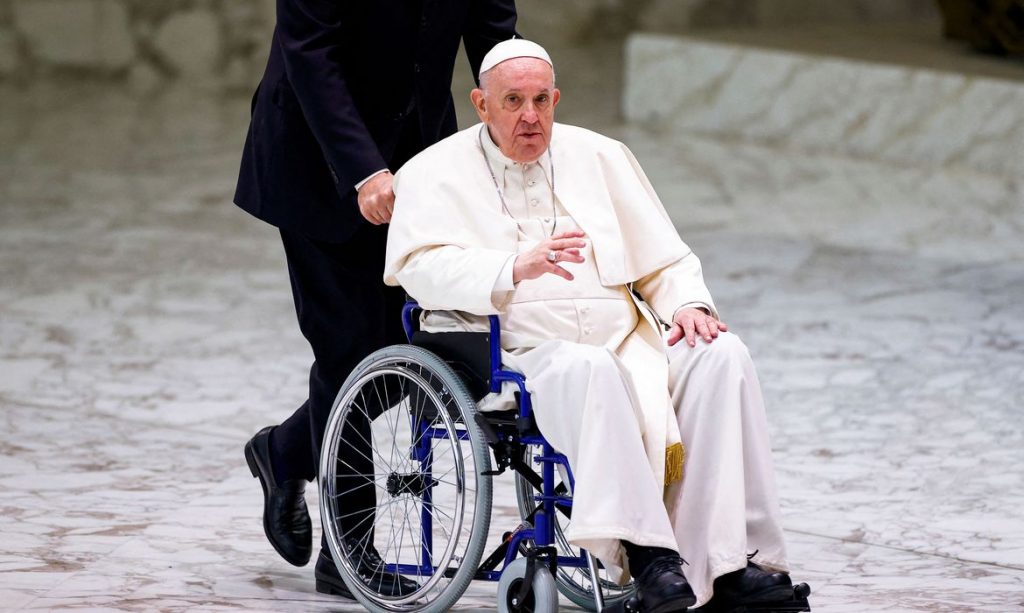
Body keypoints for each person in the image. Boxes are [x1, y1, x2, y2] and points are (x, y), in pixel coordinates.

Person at [384, 40, 807, 612]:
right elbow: (418, 268)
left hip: (628, 339)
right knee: (590, 368)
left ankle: (730, 565)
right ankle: (650, 559)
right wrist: (511, 266)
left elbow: (666, 259)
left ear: (556, 99)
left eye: (540, 100)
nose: (530, 116)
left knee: (721, 354)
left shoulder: (602, 157)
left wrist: (689, 306)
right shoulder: (433, 171)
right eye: (513, 101)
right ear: (482, 104)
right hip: (523, 353)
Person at [233, 1, 518, 598]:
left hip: (420, 153)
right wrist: (364, 170)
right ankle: (348, 551)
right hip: (319, 154)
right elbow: (310, 53)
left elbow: (496, 40)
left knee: (414, 346)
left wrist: (523, 122)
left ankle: (285, 451)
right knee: (348, 349)